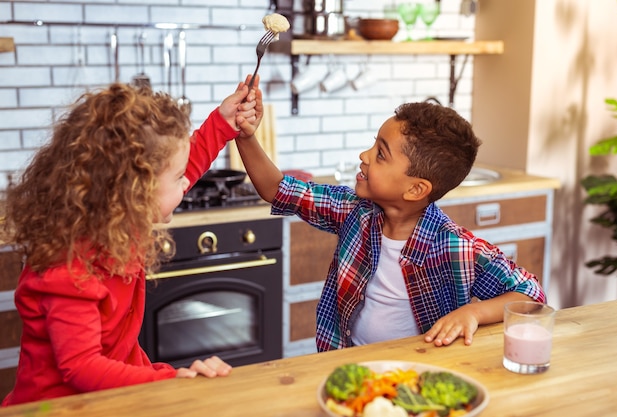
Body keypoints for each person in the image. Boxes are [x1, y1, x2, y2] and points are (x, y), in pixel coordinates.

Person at [1, 76, 263, 406]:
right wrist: (172, 378)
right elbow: (81, 367)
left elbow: (182, 164)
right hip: (57, 407)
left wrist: (222, 123)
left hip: (113, 395)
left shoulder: (117, 222)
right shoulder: (68, 269)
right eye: (179, 177)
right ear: (135, 192)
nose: (187, 184)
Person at [235, 96, 546, 352]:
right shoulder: (355, 212)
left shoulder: (454, 246)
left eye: (380, 154)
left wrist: (473, 312)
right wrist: (245, 136)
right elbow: (278, 190)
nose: (364, 155)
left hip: (417, 374)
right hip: (348, 363)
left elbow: (531, 295)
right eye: (374, 145)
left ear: (415, 189)